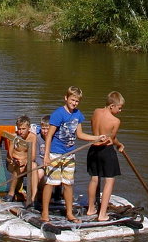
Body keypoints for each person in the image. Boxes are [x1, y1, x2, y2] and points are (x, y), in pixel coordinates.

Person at [41, 86, 105, 223]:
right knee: (50, 183)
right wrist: (46, 156)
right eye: (72, 100)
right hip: (55, 153)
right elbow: (49, 135)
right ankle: (45, 213)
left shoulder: (78, 115)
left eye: (77, 101)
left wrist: (97, 137)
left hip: (70, 154)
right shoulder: (58, 113)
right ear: (66, 98)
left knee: (68, 184)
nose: (74, 103)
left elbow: (80, 134)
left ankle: (69, 213)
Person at [85, 91, 125, 221]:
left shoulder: (96, 112)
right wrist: (120, 145)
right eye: (119, 108)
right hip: (105, 151)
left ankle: (91, 209)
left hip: (93, 149)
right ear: (112, 105)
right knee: (109, 181)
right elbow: (111, 139)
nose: (120, 110)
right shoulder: (115, 121)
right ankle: (102, 214)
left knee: (94, 179)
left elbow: (94, 128)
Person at [4, 115, 38, 202]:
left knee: (33, 165)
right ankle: (11, 193)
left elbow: (33, 156)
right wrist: (14, 160)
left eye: (23, 129)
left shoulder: (32, 137)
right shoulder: (14, 136)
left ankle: (33, 196)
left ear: (29, 128)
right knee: (18, 166)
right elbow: (9, 155)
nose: (21, 131)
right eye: (19, 129)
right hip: (13, 163)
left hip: (26, 162)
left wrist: (25, 161)